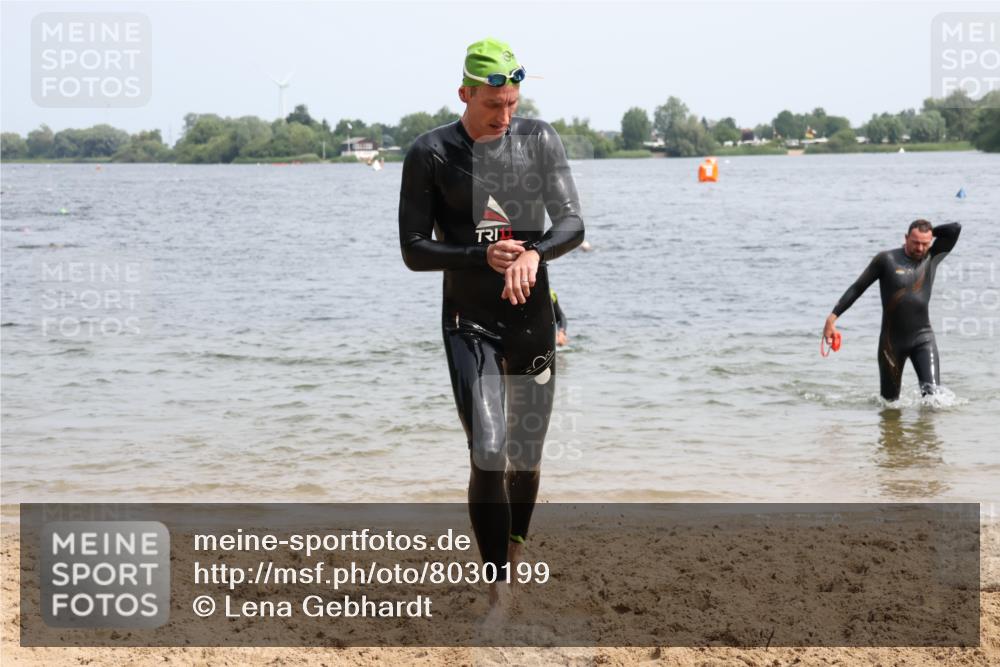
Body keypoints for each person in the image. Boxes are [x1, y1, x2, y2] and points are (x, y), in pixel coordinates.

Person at [397, 38, 584, 610]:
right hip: (468, 320)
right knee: (489, 448)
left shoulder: (539, 140)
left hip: (532, 318)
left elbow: (572, 222)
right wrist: (479, 256)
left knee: (525, 459)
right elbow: (413, 249)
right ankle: (498, 580)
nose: (505, 117)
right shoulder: (430, 153)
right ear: (464, 94)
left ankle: (517, 545)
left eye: (512, 104)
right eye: (492, 105)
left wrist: (535, 255)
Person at [823, 219, 961, 401]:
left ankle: (925, 431)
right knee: (889, 405)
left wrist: (930, 232)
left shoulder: (932, 257)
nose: (920, 248)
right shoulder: (886, 260)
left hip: (923, 339)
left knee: (934, 398)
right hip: (891, 343)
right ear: (906, 238)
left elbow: (955, 229)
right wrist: (831, 319)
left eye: (924, 243)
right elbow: (857, 288)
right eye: (915, 242)